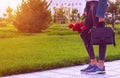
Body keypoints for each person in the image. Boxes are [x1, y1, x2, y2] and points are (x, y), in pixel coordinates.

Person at [80, 0, 108, 74]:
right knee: (84, 34)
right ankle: (93, 63)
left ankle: (101, 66)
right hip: (90, 6)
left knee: (101, 35)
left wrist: (101, 13)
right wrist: (86, 9)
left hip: (98, 6)